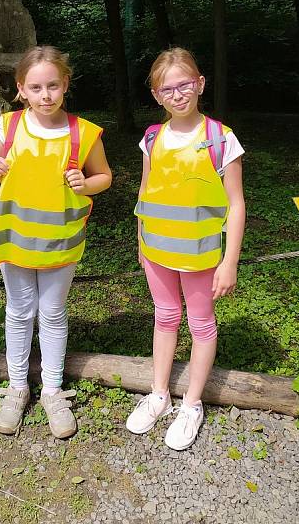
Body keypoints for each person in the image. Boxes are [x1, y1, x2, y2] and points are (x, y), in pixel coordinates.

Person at [0, 46, 112, 438]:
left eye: (52, 86)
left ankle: (53, 391)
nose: (45, 95)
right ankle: (18, 387)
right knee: (20, 311)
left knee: (53, 312)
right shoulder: (6, 126)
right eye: (36, 87)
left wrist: (86, 183)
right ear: (21, 89)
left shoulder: (84, 132)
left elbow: (104, 176)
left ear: (65, 85)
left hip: (61, 241)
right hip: (16, 240)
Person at [126, 47, 245, 450]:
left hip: (200, 256)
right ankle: (158, 394)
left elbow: (236, 203)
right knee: (164, 317)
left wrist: (229, 261)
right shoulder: (152, 138)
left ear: (200, 84)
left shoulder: (219, 138)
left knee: (201, 324)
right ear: (157, 95)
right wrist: (141, 240)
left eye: (185, 85)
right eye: (167, 89)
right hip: (156, 252)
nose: (178, 94)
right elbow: (144, 191)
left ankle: (191, 403)